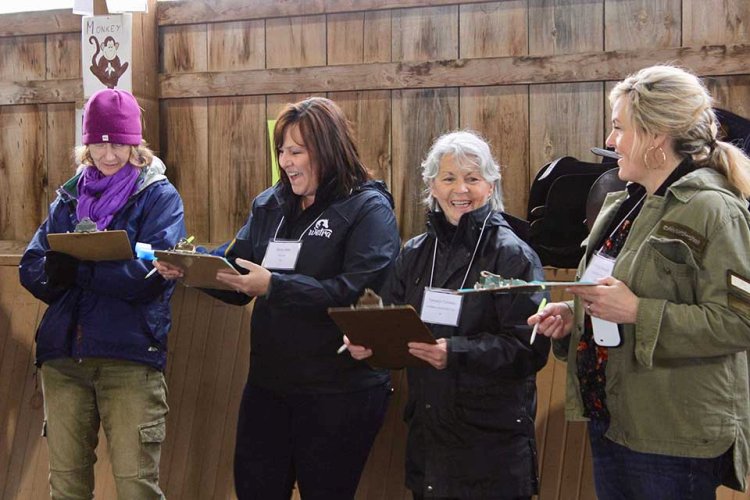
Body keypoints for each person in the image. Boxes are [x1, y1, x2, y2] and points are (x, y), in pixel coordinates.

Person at [155, 97, 401, 499]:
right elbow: (237, 271)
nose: (286, 161)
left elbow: (358, 291)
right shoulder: (270, 204)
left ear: (329, 149)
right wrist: (190, 268)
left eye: (297, 151)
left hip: (339, 391)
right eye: (282, 151)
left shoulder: (368, 209)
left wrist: (276, 287)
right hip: (269, 386)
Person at [528, 64, 750, 499]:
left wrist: (637, 313)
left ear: (655, 136)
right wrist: (577, 318)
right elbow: (612, 295)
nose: (611, 142)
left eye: (618, 128)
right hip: (614, 419)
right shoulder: (624, 207)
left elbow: (740, 322)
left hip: (672, 435)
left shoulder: (715, 210)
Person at [345, 130, 550, 499]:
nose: (462, 190)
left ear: (490, 186)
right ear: (432, 187)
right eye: (449, 178)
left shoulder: (514, 255)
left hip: (492, 442)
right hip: (428, 433)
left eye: (473, 178)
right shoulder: (415, 253)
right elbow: (390, 320)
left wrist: (453, 352)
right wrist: (369, 345)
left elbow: (528, 348)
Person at [18, 88, 186, 499]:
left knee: (136, 488)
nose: (109, 154)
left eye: (120, 143)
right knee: (67, 487)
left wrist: (77, 269)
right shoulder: (68, 197)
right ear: (86, 144)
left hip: (130, 359)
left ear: (136, 144)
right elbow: (31, 266)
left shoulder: (160, 198)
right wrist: (58, 275)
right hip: (63, 359)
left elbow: (146, 277)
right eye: (99, 143)